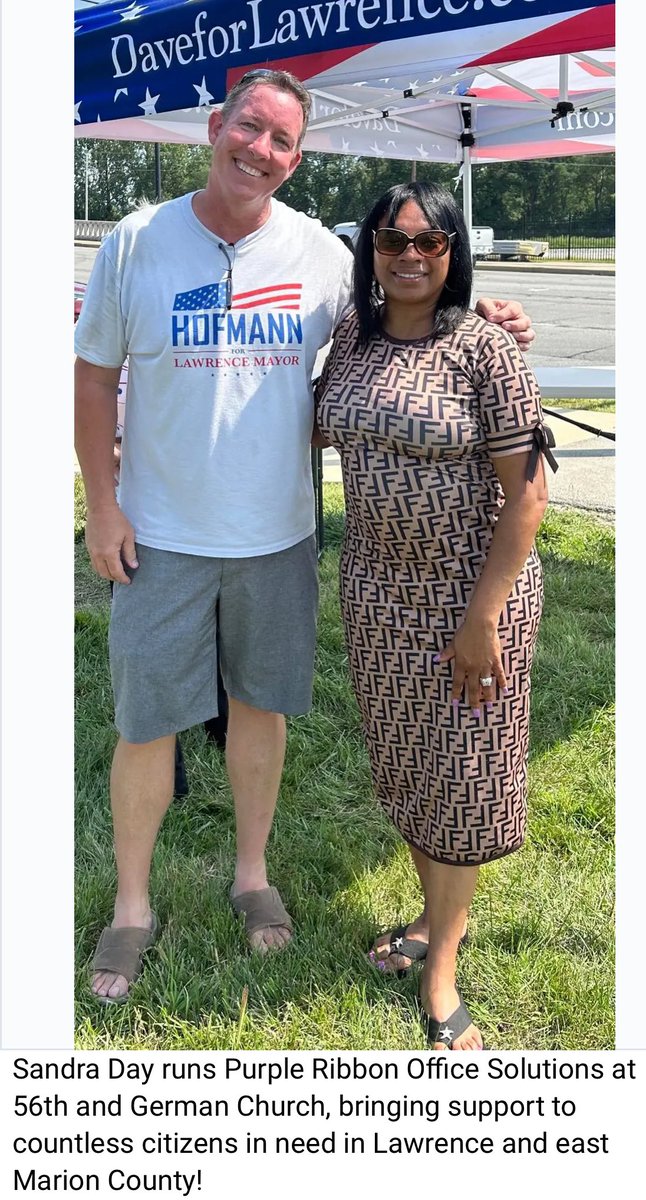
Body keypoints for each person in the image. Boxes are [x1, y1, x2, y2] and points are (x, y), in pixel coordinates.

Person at [75, 68, 535, 1005]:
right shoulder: (136, 240)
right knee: (145, 724)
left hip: (279, 538)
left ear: (296, 157)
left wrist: (483, 310)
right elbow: (92, 380)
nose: (262, 151)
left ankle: (252, 878)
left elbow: (401, 319)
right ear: (216, 127)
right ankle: (131, 908)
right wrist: (104, 504)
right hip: (159, 534)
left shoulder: (321, 257)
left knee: (260, 712)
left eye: (284, 141)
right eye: (251, 128)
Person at [315, 181, 556, 1050]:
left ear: (454, 252)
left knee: (462, 777)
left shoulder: (485, 350)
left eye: (429, 242)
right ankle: (429, 918)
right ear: (370, 249)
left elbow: (526, 496)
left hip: (469, 599)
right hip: (377, 594)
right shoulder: (353, 336)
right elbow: (313, 425)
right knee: (412, 768)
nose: (409, 256)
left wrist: (482, 617)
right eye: (392, 240)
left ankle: (444, 964)